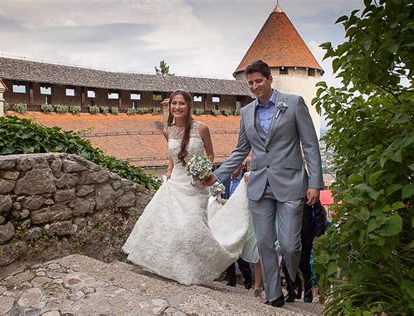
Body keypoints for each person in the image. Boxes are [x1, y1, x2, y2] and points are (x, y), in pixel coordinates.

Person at [204, 60, 324, 307]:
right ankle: (274, 295)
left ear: (270, 79)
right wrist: (217, 176)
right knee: (264, 243)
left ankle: (293, 277)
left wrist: (315, 182)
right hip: (259, 185)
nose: (254, 86)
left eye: (258, 81)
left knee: (290, 245)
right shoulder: (246, 113)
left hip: (291, 183)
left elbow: (310, 145)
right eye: (250, 83)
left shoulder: (293, 104)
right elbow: (240, 151)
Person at [122, 90, 251, 285]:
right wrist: (169, 169)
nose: (177, 107)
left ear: (189, 106)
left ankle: (195, 271)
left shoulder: (202, 128)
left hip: (196, 187)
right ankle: (174, 269)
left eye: (181, 103)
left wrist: (203, 171)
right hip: (175, 185)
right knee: (170, 228)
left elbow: (210, 155)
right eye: (174, 104)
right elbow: (172, 155)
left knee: (192, 229)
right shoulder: (168, 130)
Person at [283, 201, 327, 303]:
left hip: (306, 234)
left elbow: (319, 214)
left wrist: (317, 234)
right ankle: (292, 289)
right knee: (286, 264)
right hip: (289, 233)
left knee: (304, 265)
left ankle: (307, 293)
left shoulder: (308, 194)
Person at [221, 163, 253, 289]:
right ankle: (231, 278)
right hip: (227, 219)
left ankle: (248, 278)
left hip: (241, 218)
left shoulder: (246, 180)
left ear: (241, 166)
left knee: (240, 249)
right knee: (227, 247)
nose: (233, 169)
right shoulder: (225, 181)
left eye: (236, 166)